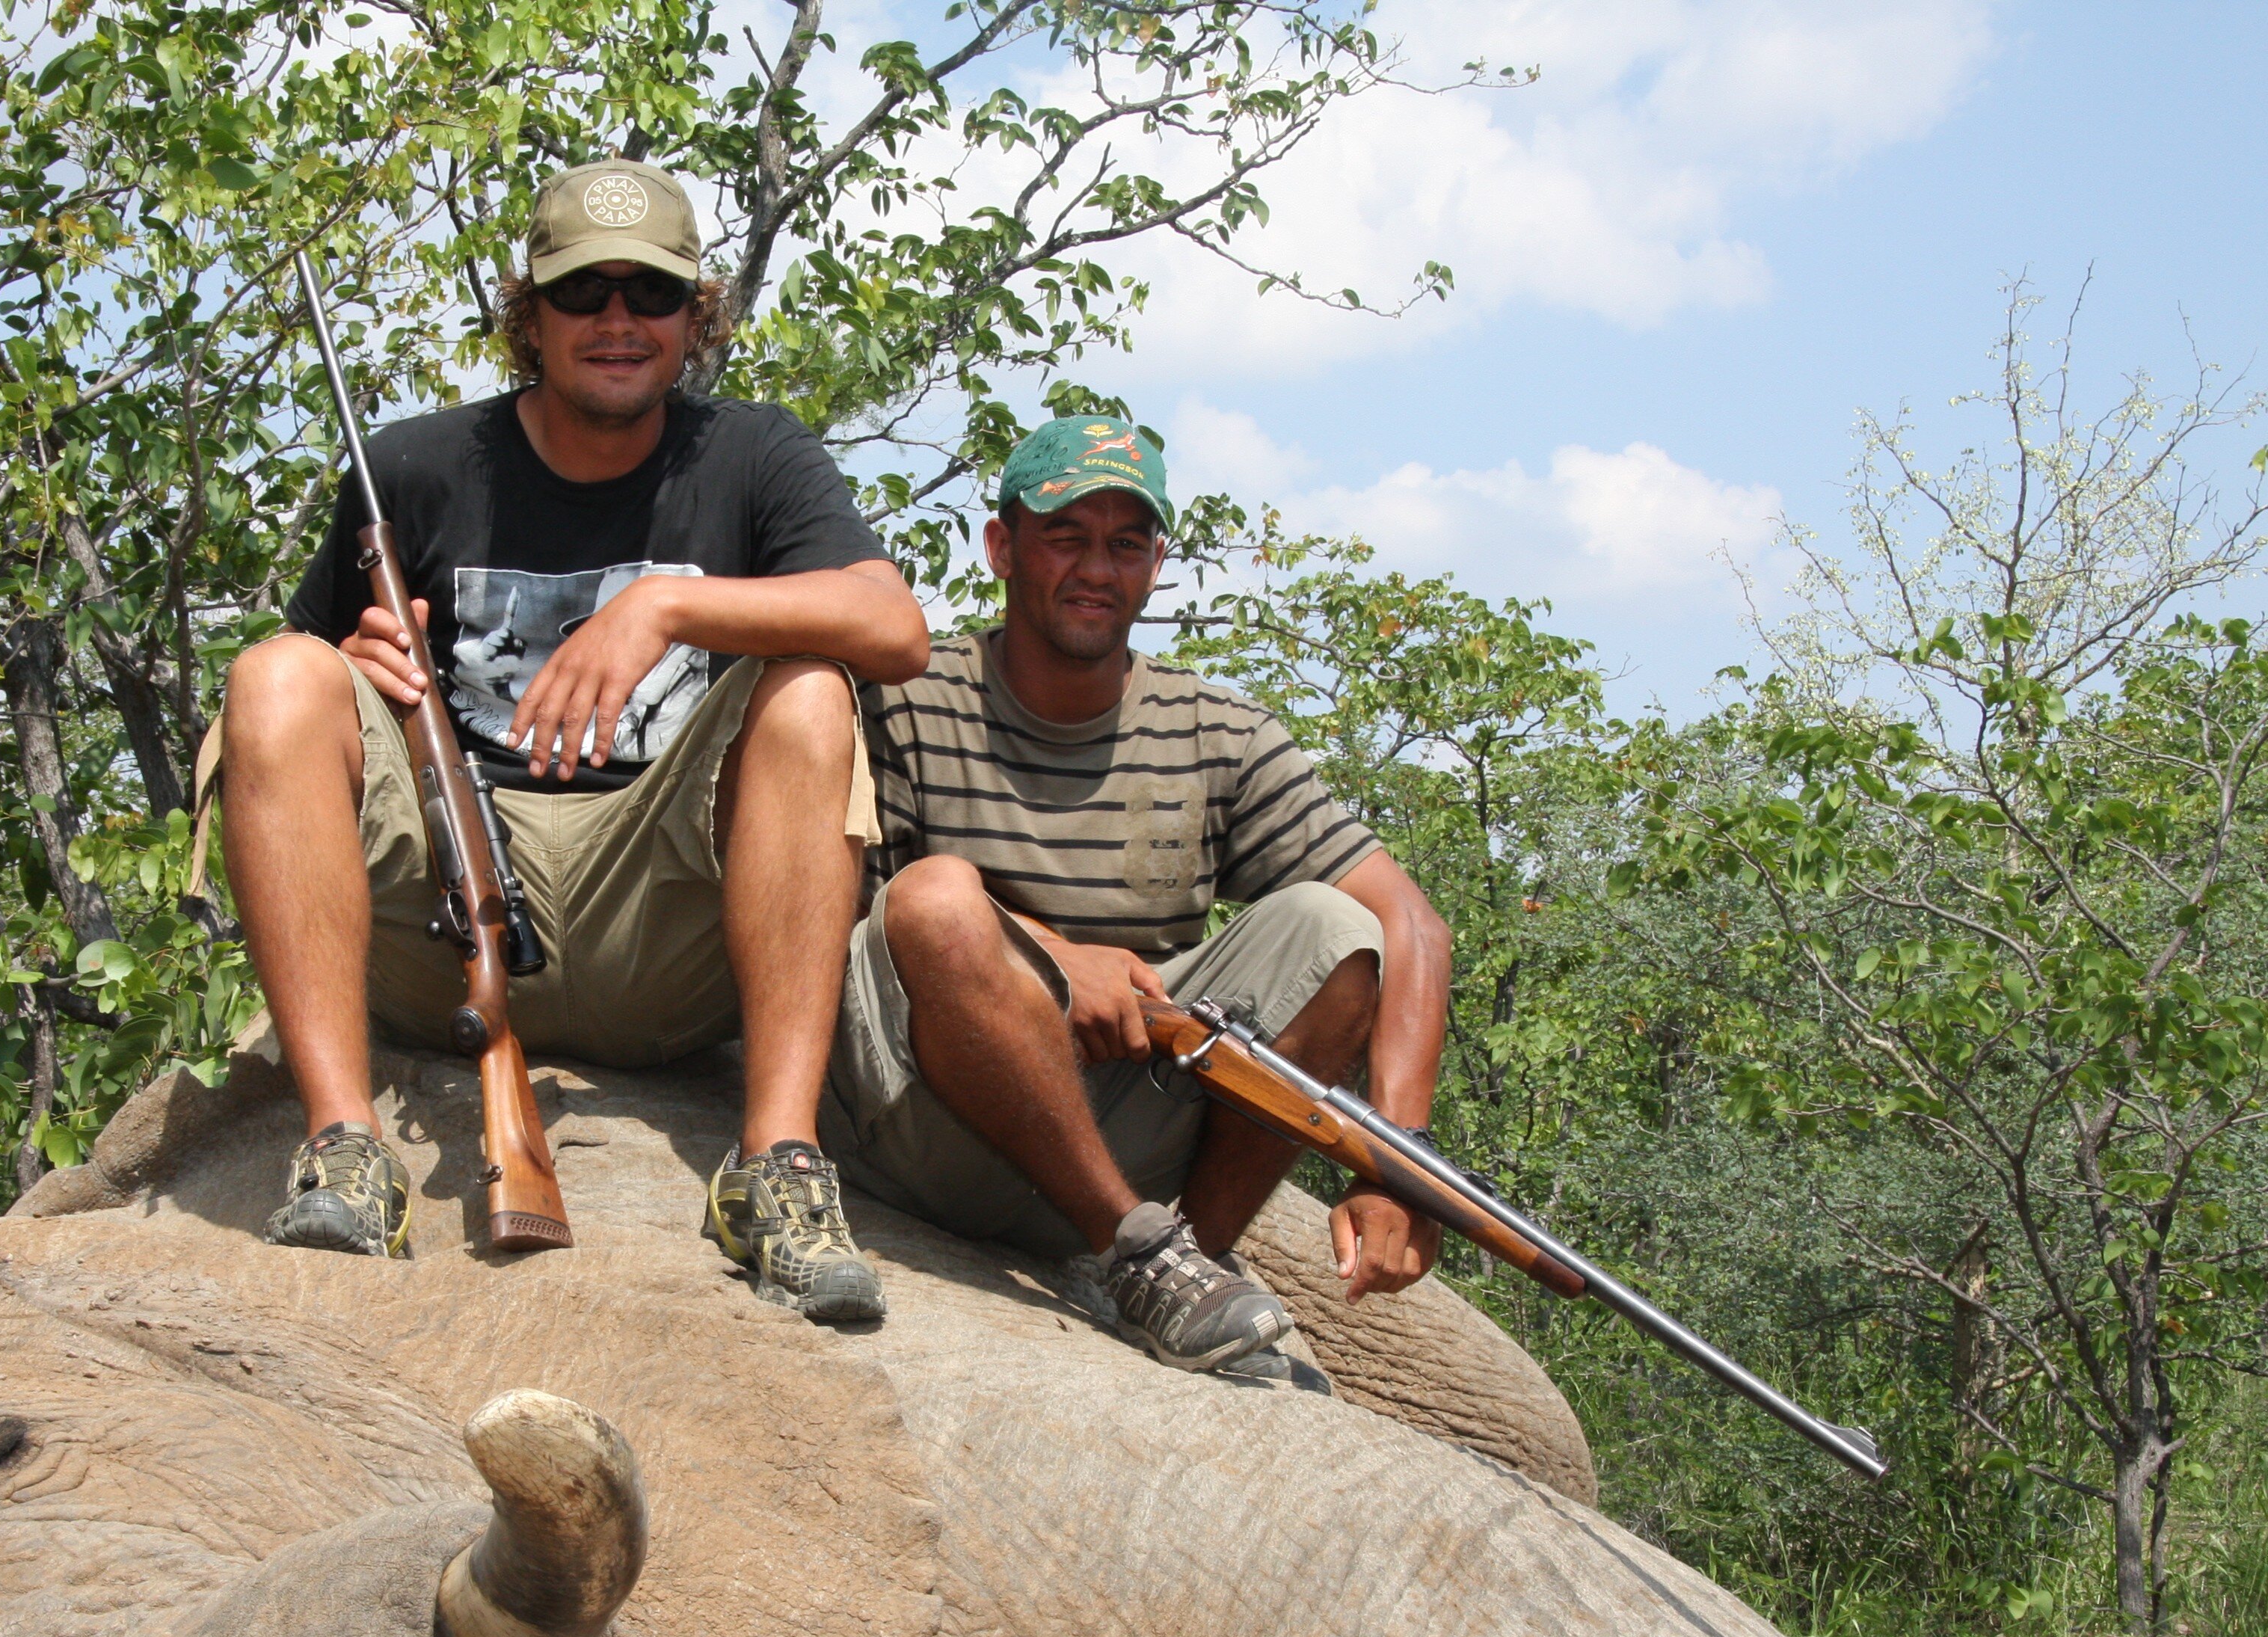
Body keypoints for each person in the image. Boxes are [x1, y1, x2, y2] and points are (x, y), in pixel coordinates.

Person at [210, 160, 929, 1319]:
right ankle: (344, 1144)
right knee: (274, 675)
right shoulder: (412, 466)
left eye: (648, 294)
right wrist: (355, 664)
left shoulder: (754, 454)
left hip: (667, 928)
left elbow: (894, 626)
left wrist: (665, 608)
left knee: (811, 689)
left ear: (697, 318)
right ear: (526, 316)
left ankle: (778, 1168)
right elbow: (302, 693)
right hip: (444, 927)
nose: (615, 321)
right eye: (580, 291)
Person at [817, 415, 1453, 1377]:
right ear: (1002, 547)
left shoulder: (1219, 731)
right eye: (1065, 536)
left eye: (1125, 543)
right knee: (938, 899)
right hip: (926, 1113)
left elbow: (1410, 923)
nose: (1096, 569)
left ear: (1157, 563)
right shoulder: (909, 691)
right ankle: (1138, 1248)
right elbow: (857, 911)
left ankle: (1182, 1259)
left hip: (1124, 1116)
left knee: (1338, 927)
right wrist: (1054, 960)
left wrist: (1397, 1162)